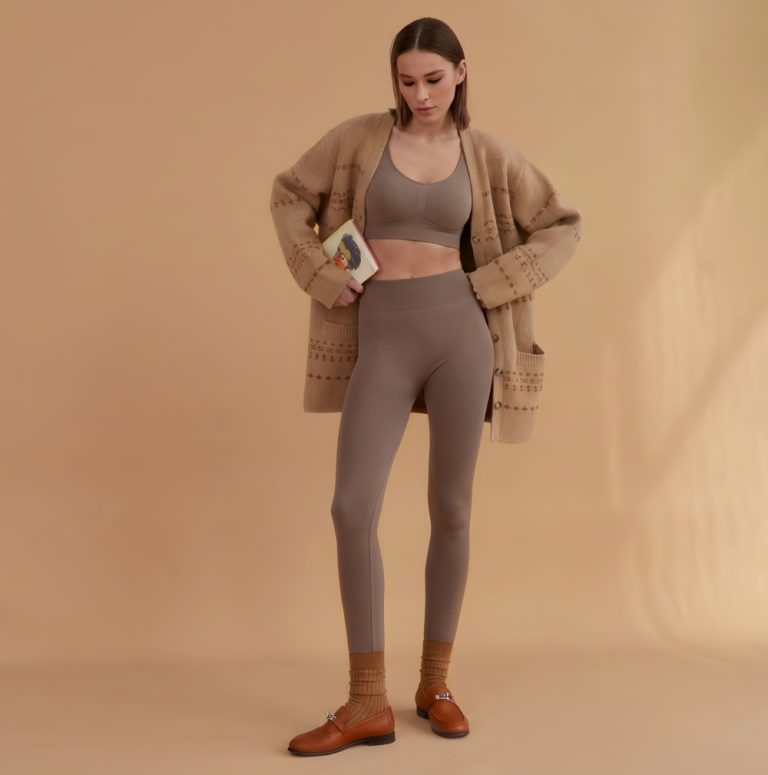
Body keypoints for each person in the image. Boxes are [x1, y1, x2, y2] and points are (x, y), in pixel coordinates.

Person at [270, 16, 582, 757]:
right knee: (352, 508)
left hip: (459, 335)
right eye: (407, 81)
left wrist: (491, 283)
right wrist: (322, 275)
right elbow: (288, 197)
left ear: (460, 73)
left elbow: (561, 224)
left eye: (434, 79)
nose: (421, 94)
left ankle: (435, 685)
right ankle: (366, 700)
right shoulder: (358, 140)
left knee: (452, 508)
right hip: (383, 334)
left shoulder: (487, 154)